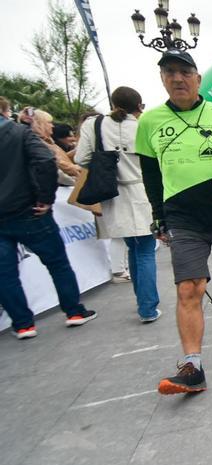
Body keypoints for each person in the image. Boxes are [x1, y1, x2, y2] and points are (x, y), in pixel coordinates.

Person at [135, 50, 212, 394]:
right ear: (162, 79)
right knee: (190, 287)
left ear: (198, 78)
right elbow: (151, 174)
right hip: (182, 215)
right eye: (169, 72)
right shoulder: (149, 121)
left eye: (184, 72)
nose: (177, 78)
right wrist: (158, 214)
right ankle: (194, 366)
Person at [0, 95, 98, 339]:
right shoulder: (19, 133)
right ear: (5, 110)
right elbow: (45, 160)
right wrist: (44, 198)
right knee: (57, 263)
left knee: (5, 273)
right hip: (30, 212)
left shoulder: (19, 132)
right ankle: (74, 311)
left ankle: (23, 324)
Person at [75, 87, 160, 322]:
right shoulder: (145, 126)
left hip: (112, 192)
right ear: (139, 106)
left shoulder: (94, 125)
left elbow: (80, 158)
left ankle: (143, 301)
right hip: (142, 190)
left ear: (113, 104)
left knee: (133, 247)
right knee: (144, 249)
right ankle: (148, 307)